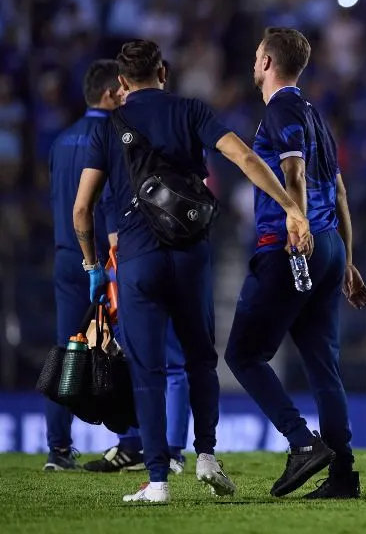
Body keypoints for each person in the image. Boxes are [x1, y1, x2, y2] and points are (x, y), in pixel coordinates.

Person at [73, 39, 312, 503]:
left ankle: (158, 480)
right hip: (190, 256)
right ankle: (205, 454)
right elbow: (243, 157)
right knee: (201, 359)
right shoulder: (191, 111)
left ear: (121, 82)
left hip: (138, 261)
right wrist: (291, 207)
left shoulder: (109, 125)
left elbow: (82, 209)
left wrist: (91, 264)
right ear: (163, 71)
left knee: (149, 368)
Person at [225, 27, 366, 500]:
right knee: (322, 366)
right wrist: (347, 259)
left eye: (255, 56)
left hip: (290, 245)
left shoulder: (282, 110)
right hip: (329, 245)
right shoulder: (316, 115)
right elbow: (342, 192)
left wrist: (298, 223)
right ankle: (344, 475)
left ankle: (301, 441)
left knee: (243, 355)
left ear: (267, 62)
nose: (253, 64)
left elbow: (293, 171)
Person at [44, 60, 122, 471]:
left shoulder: (60, 140)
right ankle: (133, 441)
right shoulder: (112, 136)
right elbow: (106, 200)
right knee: (122, 346)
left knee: (67, 349)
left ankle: (58, 449)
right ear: (109, 94)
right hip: (104, 259)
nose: (126, 97)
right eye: (122, 90)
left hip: (63, 255)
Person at [83, 228, 191, 475]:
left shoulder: (116, 189)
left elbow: (108, 232)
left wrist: (95, 268)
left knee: (130, 360)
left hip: (132, 263)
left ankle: (136, 446)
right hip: (176, 255)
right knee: (172, 364)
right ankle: (169, 451)